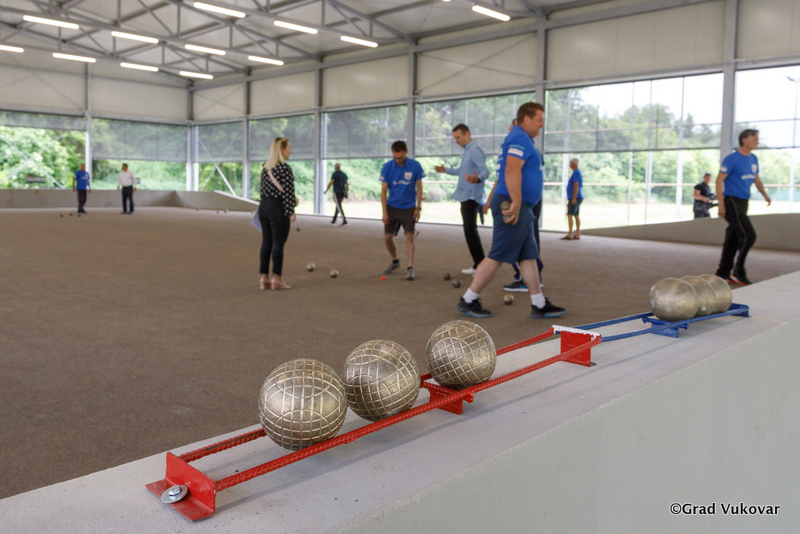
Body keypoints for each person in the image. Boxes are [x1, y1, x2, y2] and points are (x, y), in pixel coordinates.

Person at [457, 102, 566, 319]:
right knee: (497, 255)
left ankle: (538, 303)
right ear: (526, 119)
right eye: (539, 120)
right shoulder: (519, 137)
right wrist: (516, 201)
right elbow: (511, 169)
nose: (542, 124)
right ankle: (468, 300)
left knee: (528, 256)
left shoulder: (522, 138)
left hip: (520, 204)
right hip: (512, 203)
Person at [485, 118, 543, 293]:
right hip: (517, 199)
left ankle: (468, 298)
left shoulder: (521, 142)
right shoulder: (513, 144)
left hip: (521, 201)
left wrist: (516, 202)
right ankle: (537, 299)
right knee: (527, 251)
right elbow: (503, 176)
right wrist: (490, 200)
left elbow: (514, 172)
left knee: (500, 255)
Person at [715, 129, 771, 286]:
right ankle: (738, 271)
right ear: (745, 140)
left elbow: (757, 180)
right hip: (731, 201)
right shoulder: (732, 159)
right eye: (755, 139)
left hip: (744, 202)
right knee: (749, 235)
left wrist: (765, 195)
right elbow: (719, 180)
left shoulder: (753, 158)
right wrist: (721, 204)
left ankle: (723, 272)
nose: (758, 141)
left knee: (733, 237)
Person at [434, 124, 489, 275]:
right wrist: (446, 170)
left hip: (471, 195)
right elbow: (462, 171)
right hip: (465, 195)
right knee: (469, 231)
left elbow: (485, 170)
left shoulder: (475, 150)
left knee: (470, 231)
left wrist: (478, 179)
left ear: (467, 134)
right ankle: (479, 264)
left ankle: (481, 265)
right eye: (455, 138)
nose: (456, 141)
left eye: (458, 137)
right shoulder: (468, 151)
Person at [381, 140, 424, 281]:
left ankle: (410, 268)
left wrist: (418, 207)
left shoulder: (415, 165)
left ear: (406, 152)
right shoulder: (387, 167)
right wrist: (384, 212)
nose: (398, 160)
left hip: (409, 207)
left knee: (409, 236)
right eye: (395, 157)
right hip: (392, 206)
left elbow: (419, 187)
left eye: (400, 157)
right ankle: (395, 261)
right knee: (387, 238)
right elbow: (384, 190)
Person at [258, 137, 298, 290]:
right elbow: (288, 193)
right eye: (289, 148)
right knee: (278, 243)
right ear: (282, 150)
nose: (290, 151)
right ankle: (277, 278)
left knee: (266, 242)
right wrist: (290, 211)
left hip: (264, 208)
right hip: (277, 209)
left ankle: (264, 278)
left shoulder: (265, 168)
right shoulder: (284, 168)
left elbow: (262, 191)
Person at [563, 158, 584, 240]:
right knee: (576, 215)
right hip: (575, 197)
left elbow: (576, 185)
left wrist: (574, 198)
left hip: (575, 197)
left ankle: (570, 233)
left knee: (570, 214)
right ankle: (577, 233)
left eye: (570, 163)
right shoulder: (577, 172)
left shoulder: (576, 173)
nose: (569, 165)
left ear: (573, 164)